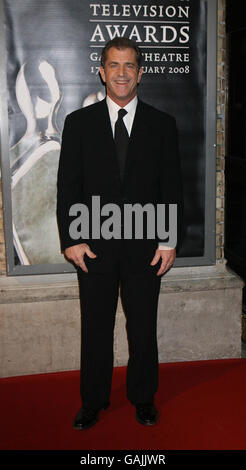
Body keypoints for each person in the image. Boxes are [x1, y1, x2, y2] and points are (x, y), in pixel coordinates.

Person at [57, 37, 183, 430]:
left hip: (146, 248)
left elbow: (172, 186)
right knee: (95, 326)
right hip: (93, 246)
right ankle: (92, 401)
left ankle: (143, 398)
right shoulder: (79, 123)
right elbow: (68, 187)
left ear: (141, 72)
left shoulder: (163, 124)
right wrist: (72, 240)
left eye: (130, 66)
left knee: (143, 326)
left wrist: (168, 240)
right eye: (114, 65)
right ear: (102, 71)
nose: (122, 73)